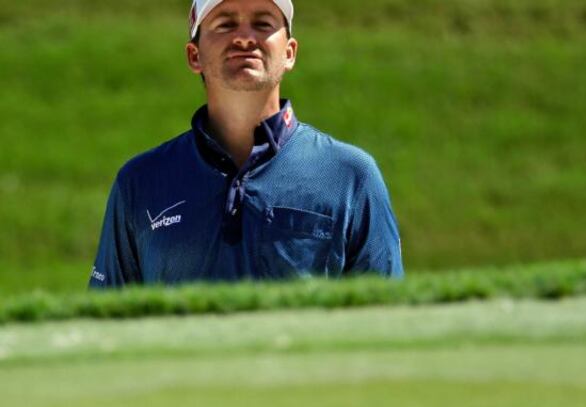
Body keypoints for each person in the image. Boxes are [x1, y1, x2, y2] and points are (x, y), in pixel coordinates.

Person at [89, 0, 403, 289]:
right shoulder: (140, 181)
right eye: (225, 24)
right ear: (194, 56)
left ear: (290, 53)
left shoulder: (350, 176)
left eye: (263, 23)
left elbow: (387, 323)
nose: (244, 37)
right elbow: (105, 326)